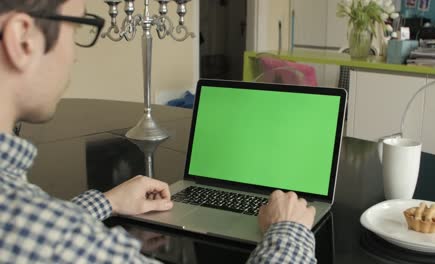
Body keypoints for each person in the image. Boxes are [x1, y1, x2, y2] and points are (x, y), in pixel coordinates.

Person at [0, 0, 317, 263]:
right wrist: (289, 231)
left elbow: (38, 232)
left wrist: (106, 202)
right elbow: (47, 233)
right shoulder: (48, 232)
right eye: (76, 28)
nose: (75, 53)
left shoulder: (25, 223)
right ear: (22, 39)